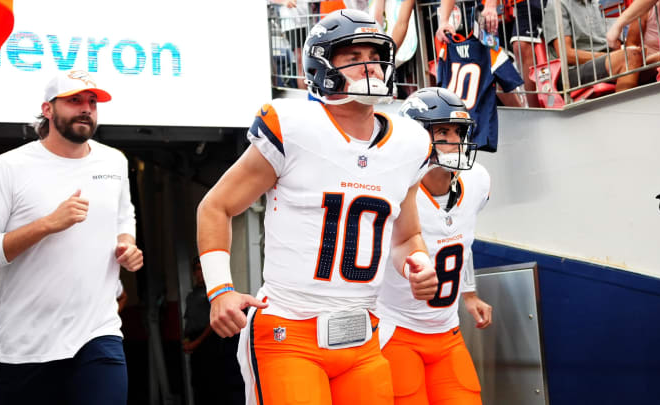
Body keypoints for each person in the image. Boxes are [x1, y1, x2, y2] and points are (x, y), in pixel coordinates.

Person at [196, 9, 439, 405]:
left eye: (374, 55)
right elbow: (215, 206)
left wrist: (418, 261)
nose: (370, 67)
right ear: (322, 66)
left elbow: (407, 235)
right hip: (289, 332)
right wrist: (220, 289)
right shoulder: (294, 125)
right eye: (352, 56)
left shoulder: (409, 143)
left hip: (363, 334)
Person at [0, 70, 143, 405]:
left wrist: (127, 245)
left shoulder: (114, 162)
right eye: (74, 100)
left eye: (92, 101)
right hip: (26, 347)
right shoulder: (8, 168)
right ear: (47, 109)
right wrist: (47, 224)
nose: (86, 108)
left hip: (98, 334)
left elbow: (123, 218)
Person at [376, 87, 492, 405]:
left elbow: (461, 240)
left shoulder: (478, 182)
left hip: (447, 331)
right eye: (442, 131)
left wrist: (468, 292)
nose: (455, 141)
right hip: (395, 329)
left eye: (458, 131)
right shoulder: (391, 188)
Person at [542, 0, 644, 92]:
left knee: (652, 58)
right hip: (571, 71)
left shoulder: (595, 4)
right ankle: (625, 110)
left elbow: (614, 43)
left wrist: (621, 49)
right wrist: (610, 56)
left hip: (603, 60)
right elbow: (566, 54)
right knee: (630, 57)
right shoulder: (557, 5)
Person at [183, 257, 244, 405]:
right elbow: (189, 320)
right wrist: (187, 341)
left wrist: (197, 342)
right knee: (198, 385)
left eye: (203, 269)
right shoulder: (191, 296)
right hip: (194, 344)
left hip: (210, 342)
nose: (200, 273)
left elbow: (213, 322)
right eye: (197, 269)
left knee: (214, 385)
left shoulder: (215, 295)